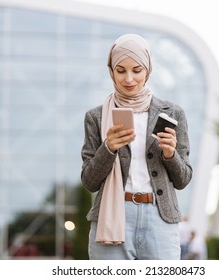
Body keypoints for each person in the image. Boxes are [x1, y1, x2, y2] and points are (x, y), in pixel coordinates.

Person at [81, 34, 193, 260]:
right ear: (111, 71)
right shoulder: (97, 117)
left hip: (160, 217)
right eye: (120, 70)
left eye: (137, 70)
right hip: (113, 217)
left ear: (148, 70)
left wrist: (170, 155)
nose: (129, 78)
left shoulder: (172, 113)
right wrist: (108, 148)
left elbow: (183, 179)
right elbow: (89, 182)